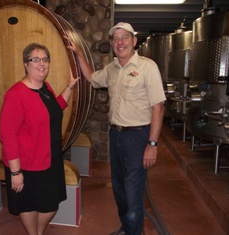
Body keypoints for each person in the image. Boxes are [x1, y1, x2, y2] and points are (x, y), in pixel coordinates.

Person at [65, 22, 166, 235]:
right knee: (119, 188)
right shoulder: (111, 69)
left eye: (124, 38)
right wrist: (79, 53)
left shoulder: (148, 67)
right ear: (112, 44)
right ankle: (126, 227)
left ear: (134, 41)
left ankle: (134, 232)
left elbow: (158, 107)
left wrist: (152, 144)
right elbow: (92, 78)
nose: (120, 42)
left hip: (138, 137)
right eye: (116, 39)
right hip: (116, 135)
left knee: (132, 191)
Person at [0, 43, 79, 235]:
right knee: (29, 204)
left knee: (50, 205)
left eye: (45, 59)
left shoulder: (45, 88)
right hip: (27, 163)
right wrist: (16, 172)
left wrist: (70, 86)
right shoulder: (16, 94)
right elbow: (7, 135)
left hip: (49, 159)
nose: (41, 64)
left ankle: (37, 233)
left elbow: (55, 109)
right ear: (26, 64)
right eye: (35, 59)